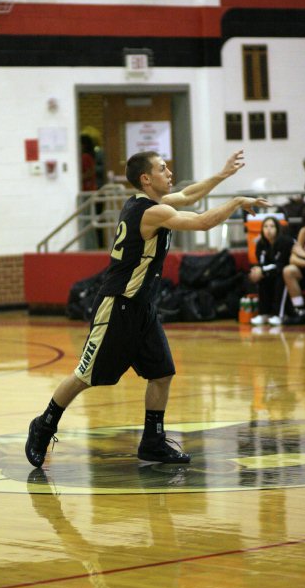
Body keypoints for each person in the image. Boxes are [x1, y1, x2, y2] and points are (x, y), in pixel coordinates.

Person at [25, 148, 270, 468]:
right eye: (163, 169)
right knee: (86, 376)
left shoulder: (156, 204)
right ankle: (43, 425)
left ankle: (152, 441)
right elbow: (200, 222)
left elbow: (189, 194)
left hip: (142, 307)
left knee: (162, 373)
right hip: (117, 307)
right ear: (146, 178)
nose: (169, 173)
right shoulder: (149, 212)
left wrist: (223, 175)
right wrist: (236, 202)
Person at [249, 216, 295, 326]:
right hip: (272, 272)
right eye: (265, 227)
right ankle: (264, 313)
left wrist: (262, 270)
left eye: (272, 226)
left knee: (281, 278)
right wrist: (256, 271)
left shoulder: (285, 241)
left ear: (278, 229)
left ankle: (279, 315)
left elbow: (281, 265)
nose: (268, 230)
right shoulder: (261, 244)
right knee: (260, 278)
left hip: (289, 273)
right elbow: (261, 263)